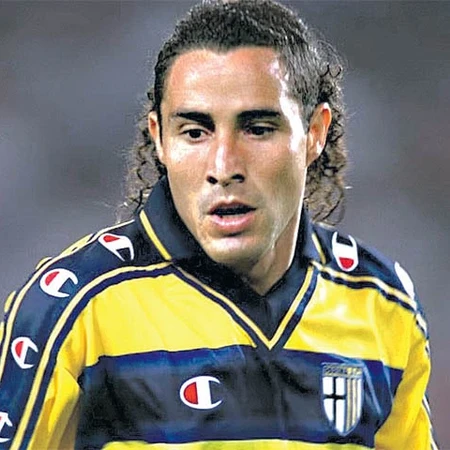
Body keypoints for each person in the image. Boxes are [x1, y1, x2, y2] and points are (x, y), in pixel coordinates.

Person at [0, 0, 438, 448]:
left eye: (258, 129)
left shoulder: (383, 303)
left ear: (315, 133)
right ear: (159, 138)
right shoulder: (72, 309)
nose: (224, 166)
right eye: (195, 132)